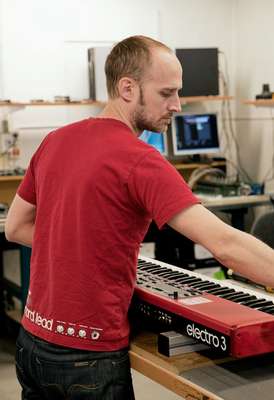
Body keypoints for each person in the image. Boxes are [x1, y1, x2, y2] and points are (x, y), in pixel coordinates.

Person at [4, 35, 274, 400]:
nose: (177, 106)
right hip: (88, 359)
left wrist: (79, 247)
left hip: (32, 342)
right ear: (127, 88)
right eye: (167, 93)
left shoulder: (55, 141)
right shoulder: (141, 160)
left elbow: (17, 227)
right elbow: (225, 245)